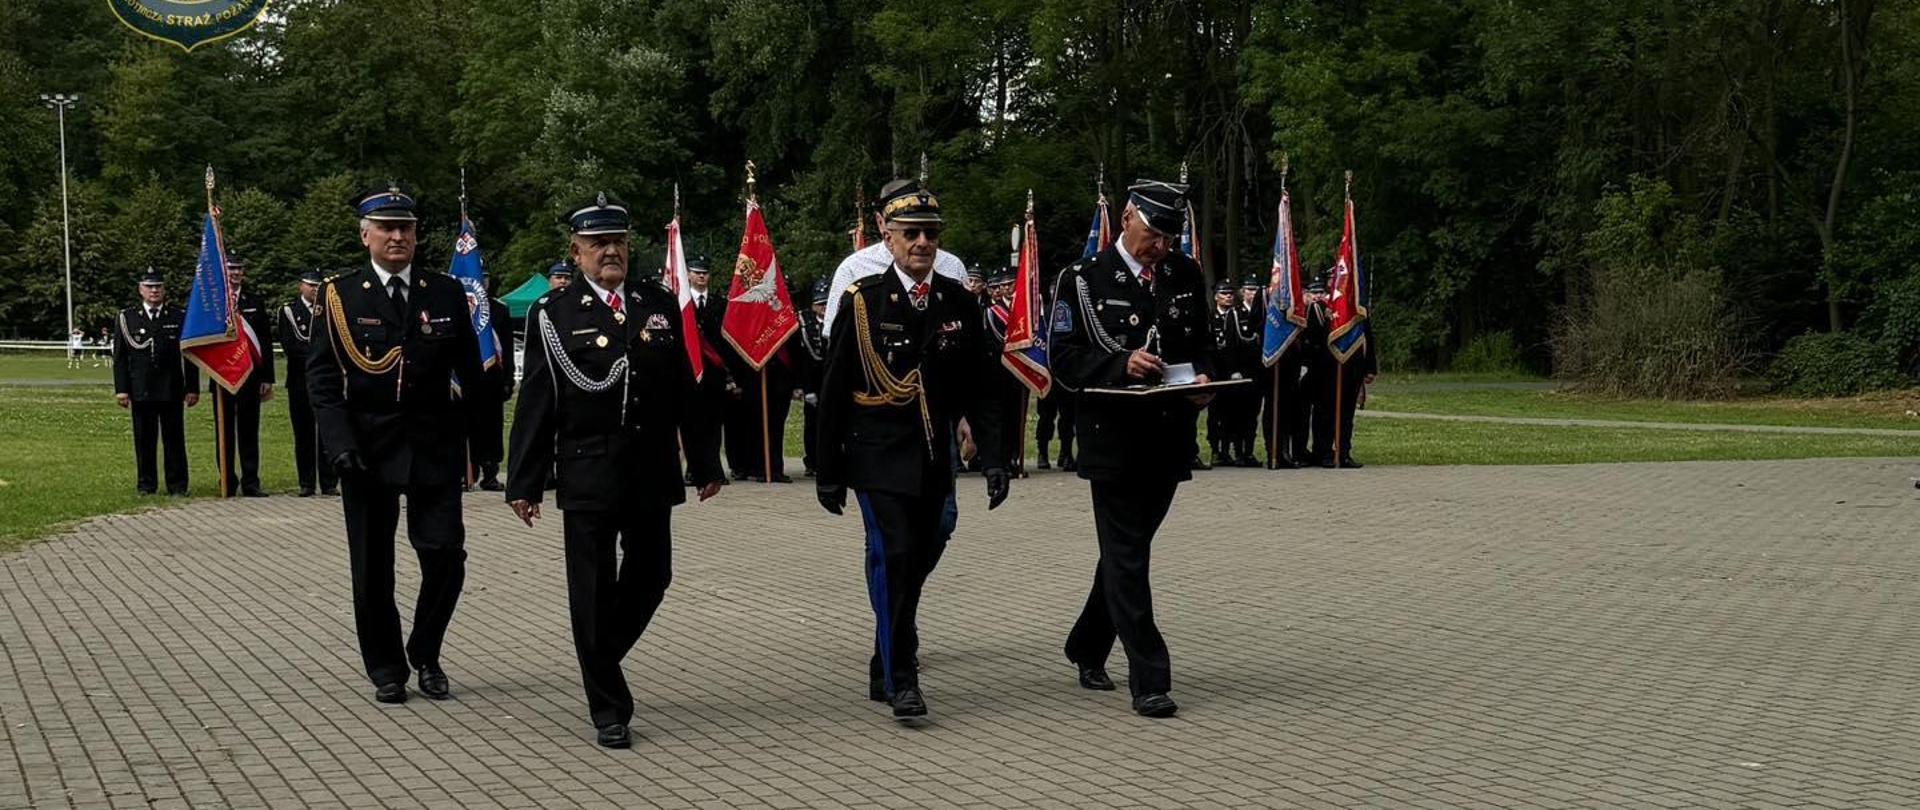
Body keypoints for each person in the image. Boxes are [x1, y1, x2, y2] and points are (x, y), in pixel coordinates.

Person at [506, 192, 725, 749]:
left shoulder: (657, 304)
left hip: (650, 467)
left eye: (619, 242)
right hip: (586, 469)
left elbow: (685, 391)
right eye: (599, 243)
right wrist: (524, 481)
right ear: (575, 251)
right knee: (592, 588)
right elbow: (537, 400)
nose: (611, 252)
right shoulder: (553, 315)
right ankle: (608, 705)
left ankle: (598, 658)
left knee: (653, 575)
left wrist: (705, 462)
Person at [815, 179, 1010, 723]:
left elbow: (980, 387)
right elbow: (833, 391)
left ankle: (887, 651)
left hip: (932, 455)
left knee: (920, 550)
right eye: (911, 234)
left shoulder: (958, 301)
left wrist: (993, 457)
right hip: (877, 455)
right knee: (896, 553)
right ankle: (903, 680)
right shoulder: (863, 299)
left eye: (930, 234)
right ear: (890, 237)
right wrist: (828, 471)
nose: (922, 243)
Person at [309, 183, 482, 704]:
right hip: (367, 448)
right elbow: (320, 380)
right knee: (372, 566)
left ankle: (425, 650)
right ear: (366, 235)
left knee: (446, 556)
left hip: (433, 445)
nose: (397, 236)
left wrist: (477, 447)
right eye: (386, 227)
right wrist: (339, 446)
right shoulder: (339, 295)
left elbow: (470, 376)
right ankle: (386, 668)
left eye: (405, 227)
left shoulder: (445, 292)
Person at [1050, 178, 1214, 718]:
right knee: (1128, 558)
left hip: (1167, 438)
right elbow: (1064, 359)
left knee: (1126, 554)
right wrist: (1121, 365)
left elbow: (1201, 347)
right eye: (1153, 233)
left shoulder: (1185, 275)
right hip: (1112, 440)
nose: (1160, 246)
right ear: (1126, 218)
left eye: (1170, 237)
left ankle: (1086, 644)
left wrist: (1204, 384)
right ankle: (1150, 678)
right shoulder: (1084, 279)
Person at [114, 270, 200, 496]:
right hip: (141, 388)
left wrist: (192, 388)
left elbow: (189, 355)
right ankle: (146, 485)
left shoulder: (178, 316)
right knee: (144, 440)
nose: (154, 291)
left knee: (174, 440)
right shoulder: (127, 317)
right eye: (149, 287)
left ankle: (177, 485)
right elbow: (120, 358)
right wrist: (121, 390)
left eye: (158, 287)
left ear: (164, 290)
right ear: (140, 290)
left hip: (171, 387)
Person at [208, 258, 274, 497]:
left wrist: (268, 377)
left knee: (249, 431)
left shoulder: (254, 301)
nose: (234, 273)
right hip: (222, 376)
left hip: (251, 376)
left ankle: (250, 481)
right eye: (230, 269)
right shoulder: (215, 305)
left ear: (243, 273)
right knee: (224, 431)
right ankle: (226, 480)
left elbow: (264, 341)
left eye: (238, 269)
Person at [1307, 271, 1377, 468]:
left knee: (1347, 413)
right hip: (1327, 369)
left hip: (1352, 368)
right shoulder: (1321, 306)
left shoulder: (1356, 306)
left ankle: (1344, 452)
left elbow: (1367, 337)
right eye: (1334, 278)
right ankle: (1323, 452)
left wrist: (1370, 367)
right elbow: (1313, 339)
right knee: (1325, 412)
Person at [279, 269, 337, 496]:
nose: (314, 290)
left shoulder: (330, 309)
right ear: (300, 287)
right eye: (310, 285)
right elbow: (290, 346)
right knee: (303, 433)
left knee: (327, 432)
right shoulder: (289, 311)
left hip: (326, 381)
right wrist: (319, 354)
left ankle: (329, 482)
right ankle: (306, 482)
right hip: (299, 380)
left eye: (318, 286)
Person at [684, 256, 736, 485]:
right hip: (690, 373)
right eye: (696, 272)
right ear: (688, 275)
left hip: (715, 373)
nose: (701, 276)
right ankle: (694, 469)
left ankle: (714, 469)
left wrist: (730, 374)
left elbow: (726, 341)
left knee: (715, 425)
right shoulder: (682, 305)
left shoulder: (720, 304)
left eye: (704, 273)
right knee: (692, 423)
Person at [466, 275, 516, 491]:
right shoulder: (460, 306)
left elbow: (507, 346)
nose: (482, 280)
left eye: (485, 277)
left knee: (492, 428)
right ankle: (468, 473)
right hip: (466, 377)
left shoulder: (499, 310)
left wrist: (509, 378)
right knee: (467, 427)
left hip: (492, 379)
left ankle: (490, 474)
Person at [982, 267, 1029, 477]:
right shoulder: (992, 312)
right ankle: (1000, 461)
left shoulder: (1025, 310)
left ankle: (1014, 458)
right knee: (999, 419)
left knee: (1016, 417)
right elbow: (996, 341)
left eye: (1009, 284)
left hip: (1021, 372)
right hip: (999, 372)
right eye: (1001, 286)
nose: (1004, 289)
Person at [1206, 280, 1245, 466]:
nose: (1228, 296)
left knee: (1233, 412)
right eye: (1224, 293)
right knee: (1215, 413)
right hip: (1215, 370)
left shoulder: (1237, 316)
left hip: (1232, 371)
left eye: (1230, 293)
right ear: (1216, 297)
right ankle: (1216, 449)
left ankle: (1230, 449)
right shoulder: (1209, 318)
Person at [796, 278, 830, 477]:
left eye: (827, 303)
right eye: (820, 304)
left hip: (832, 380)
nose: (824, 307)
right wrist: (804, 387)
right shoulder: (804, 322)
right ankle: (813, 462)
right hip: (812, 381)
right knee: (812, 425)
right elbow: (801, 359)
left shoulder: (837, 318)